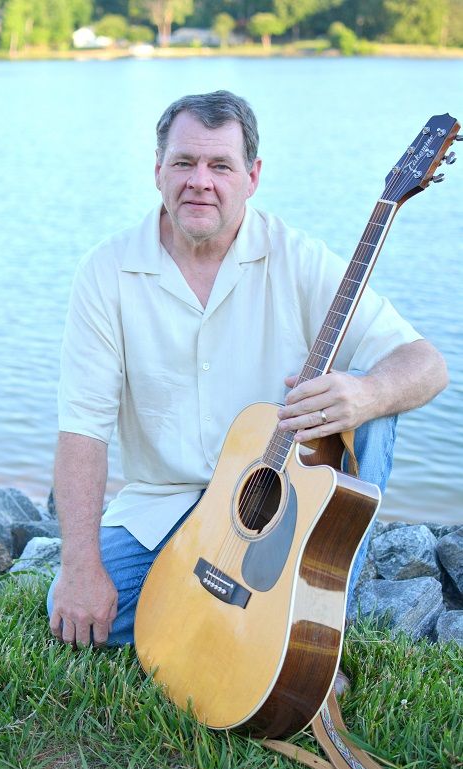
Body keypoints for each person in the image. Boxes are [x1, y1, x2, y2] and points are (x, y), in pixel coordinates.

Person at [47, 90, 448, 656]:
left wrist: (366, 392)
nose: (200, 181)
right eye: (184, 162)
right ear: (158, 170)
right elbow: (82, 430)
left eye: (220, 165)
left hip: (278, 508)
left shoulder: (297, 257)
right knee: (82, 615)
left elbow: (426, 364)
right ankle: (252, 622)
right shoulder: (106, 272)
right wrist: (80, 569)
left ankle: (313, 615)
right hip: (163, 511)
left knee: (371, 404)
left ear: (252, 176)